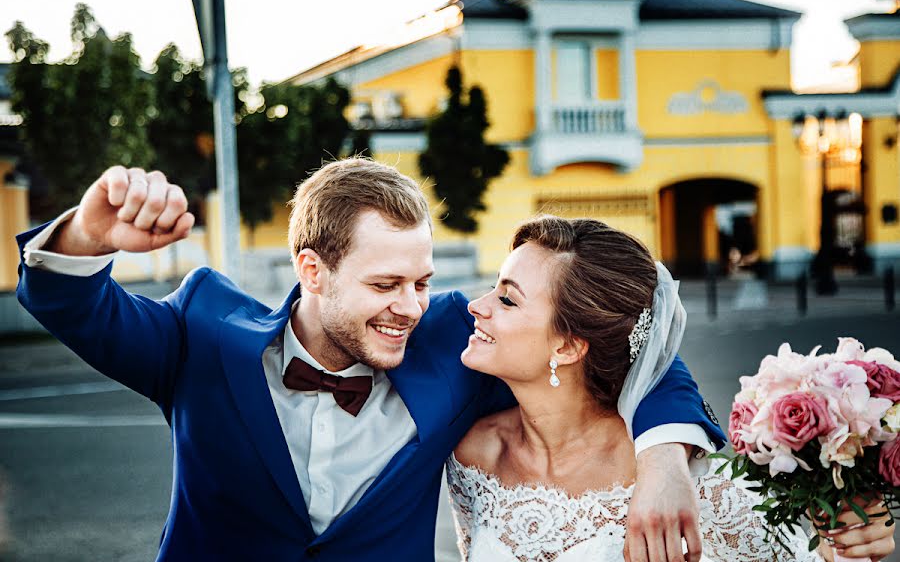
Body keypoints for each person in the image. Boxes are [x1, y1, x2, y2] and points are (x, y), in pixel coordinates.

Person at [16, 159, 724, 561]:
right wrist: (85, 233)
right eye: (384, 285)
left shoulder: (454, 337)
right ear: (312, 271)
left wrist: (663, 460)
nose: (411, 307)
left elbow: (630, 346)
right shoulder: (203, 336)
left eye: (420, 281)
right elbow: (73, 307)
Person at [446, 215, 896, 562]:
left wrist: (852, 545)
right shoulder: (473, 456)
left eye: (507, 298)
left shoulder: (694, 488)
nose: (474, 307)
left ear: (567, 346)